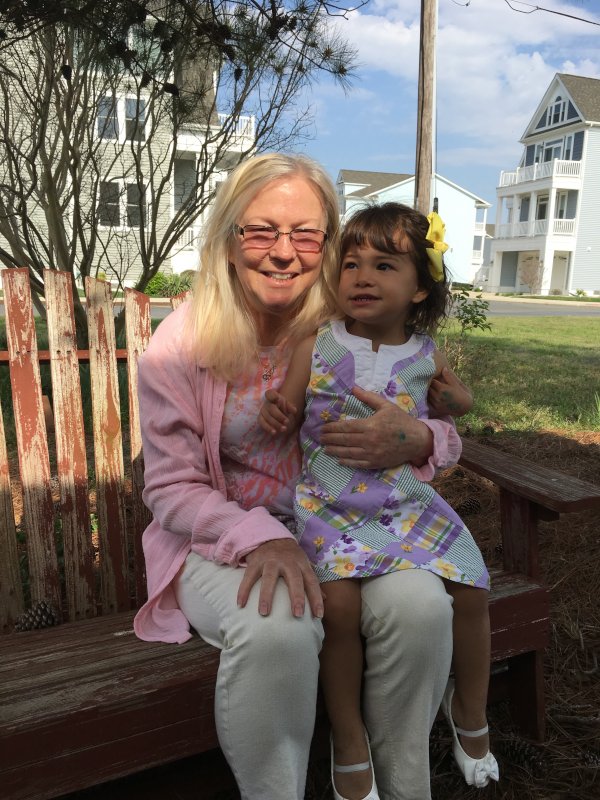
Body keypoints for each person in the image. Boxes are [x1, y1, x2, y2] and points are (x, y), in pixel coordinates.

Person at [133, 153, 459, 800]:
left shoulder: (353, 326)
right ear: (229, 238)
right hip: (219, 542)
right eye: (261, 230)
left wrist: (421, 438)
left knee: (422, 607)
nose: (284, 252)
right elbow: (169, 488)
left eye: (306, 235)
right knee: (279, 620)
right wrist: (262, 537)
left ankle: (403, 786)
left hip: (344, 529)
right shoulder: (182, 343)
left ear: (328, 243)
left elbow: (441, 424)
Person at [259, 202, 499, 798]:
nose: (362, 277)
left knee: (472, 587)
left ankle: (470, 711)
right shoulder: (316, 343)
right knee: (338, 609)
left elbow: (455, 409)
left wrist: (457, 401)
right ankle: (349, 737)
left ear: (419, 289)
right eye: (352, 264)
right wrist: (278, 411)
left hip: (404, 503)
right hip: (331, 506)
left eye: (384, 266)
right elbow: (287, 409)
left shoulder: (425, 353)